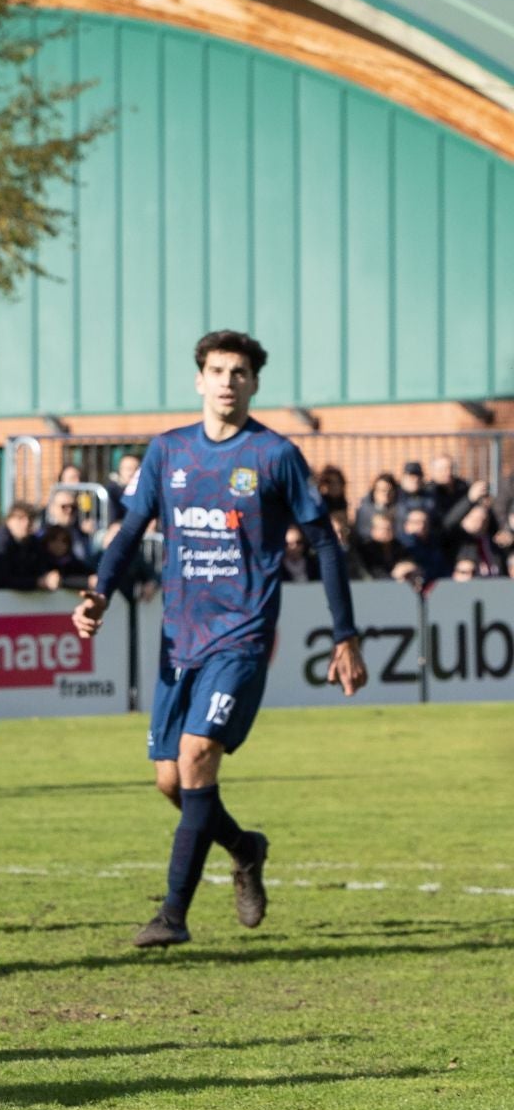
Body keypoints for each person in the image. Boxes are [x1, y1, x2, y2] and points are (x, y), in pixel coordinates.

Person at [75, 329, 365, 950]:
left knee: (198, 752)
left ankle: (172, 914)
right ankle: (244, 847)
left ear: (254, 383)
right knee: (171, 781)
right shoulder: (168, 451)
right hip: (179, 636)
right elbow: (130, 530)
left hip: (243, 633)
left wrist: (345, 635)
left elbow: (323, 542)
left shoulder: (274, 454)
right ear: (199, 380)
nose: (228, 381)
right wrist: (100, 591)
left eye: (239, 372)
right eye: (217, 370)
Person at [0, 501, 44, 590]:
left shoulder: (32, 541)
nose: (26, 523)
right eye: (20, 518)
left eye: (30, 518)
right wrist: (37, 582)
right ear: (8, 519)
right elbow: (0, 579)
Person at [399, 505, 447, 584]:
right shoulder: (399, 546)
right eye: (416, 522)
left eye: (425, 522)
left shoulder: (435, 545)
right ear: (406, 525)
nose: (422, 526)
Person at [354, 472, 399, 542]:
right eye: (382, 490)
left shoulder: (399, 509)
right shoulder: (364, 511)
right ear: (374, 491)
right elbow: (360, 532)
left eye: (390, 490)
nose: (386, 494)